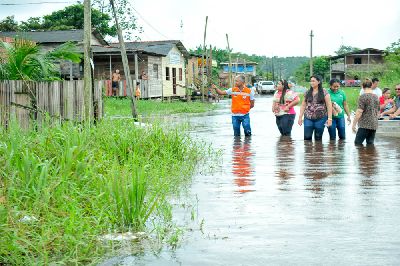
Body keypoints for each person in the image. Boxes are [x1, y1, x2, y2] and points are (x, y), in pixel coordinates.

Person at [298, 75, 333, 141]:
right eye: (310, 81)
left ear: (319, 82)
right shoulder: (307, 92)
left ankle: (318, 151)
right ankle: (308, 151)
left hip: (321, 118)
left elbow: (329, 105)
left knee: (318, 138)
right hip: (308, 117)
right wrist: (300, 117)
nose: (311, 83)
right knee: (307, 138)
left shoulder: (324, 92)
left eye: (313, 81)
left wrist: (330, 119)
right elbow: (303, 105)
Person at [352, 79, 380, 145]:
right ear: (371, 85)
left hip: (364, 125)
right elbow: (377, 111)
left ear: (362, 86)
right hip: (374, 124)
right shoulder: (376, 97)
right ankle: (370, 155)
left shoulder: (362, 97)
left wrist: (353, 124)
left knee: (357, 144)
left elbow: (359, 112)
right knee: (370, 144)